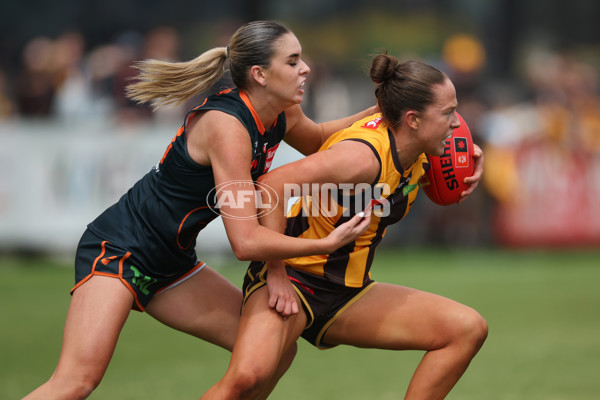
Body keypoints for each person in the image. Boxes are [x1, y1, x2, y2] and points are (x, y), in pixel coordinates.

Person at [23, 21, 376, 400]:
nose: (305, 68)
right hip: (120, 250)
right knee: (76, 382)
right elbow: (244, 241)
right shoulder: (228, 128)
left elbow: (322, 140)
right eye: (292, 61)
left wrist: (383, 112)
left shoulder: (281, 112)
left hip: (173, 262)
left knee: (270, 353)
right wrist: (319, 246)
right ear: (260, 74)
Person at [200, 54, 487, 400]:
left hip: (348, 292)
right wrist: (275, 274)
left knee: (467, 328)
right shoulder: (361, 157)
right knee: (246, 380)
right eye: (448, 113)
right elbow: (271, 185)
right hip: (293, 280)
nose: (458, 124)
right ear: (412, 120)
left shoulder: (420, 150)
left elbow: (425, 172)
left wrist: (465, 162)